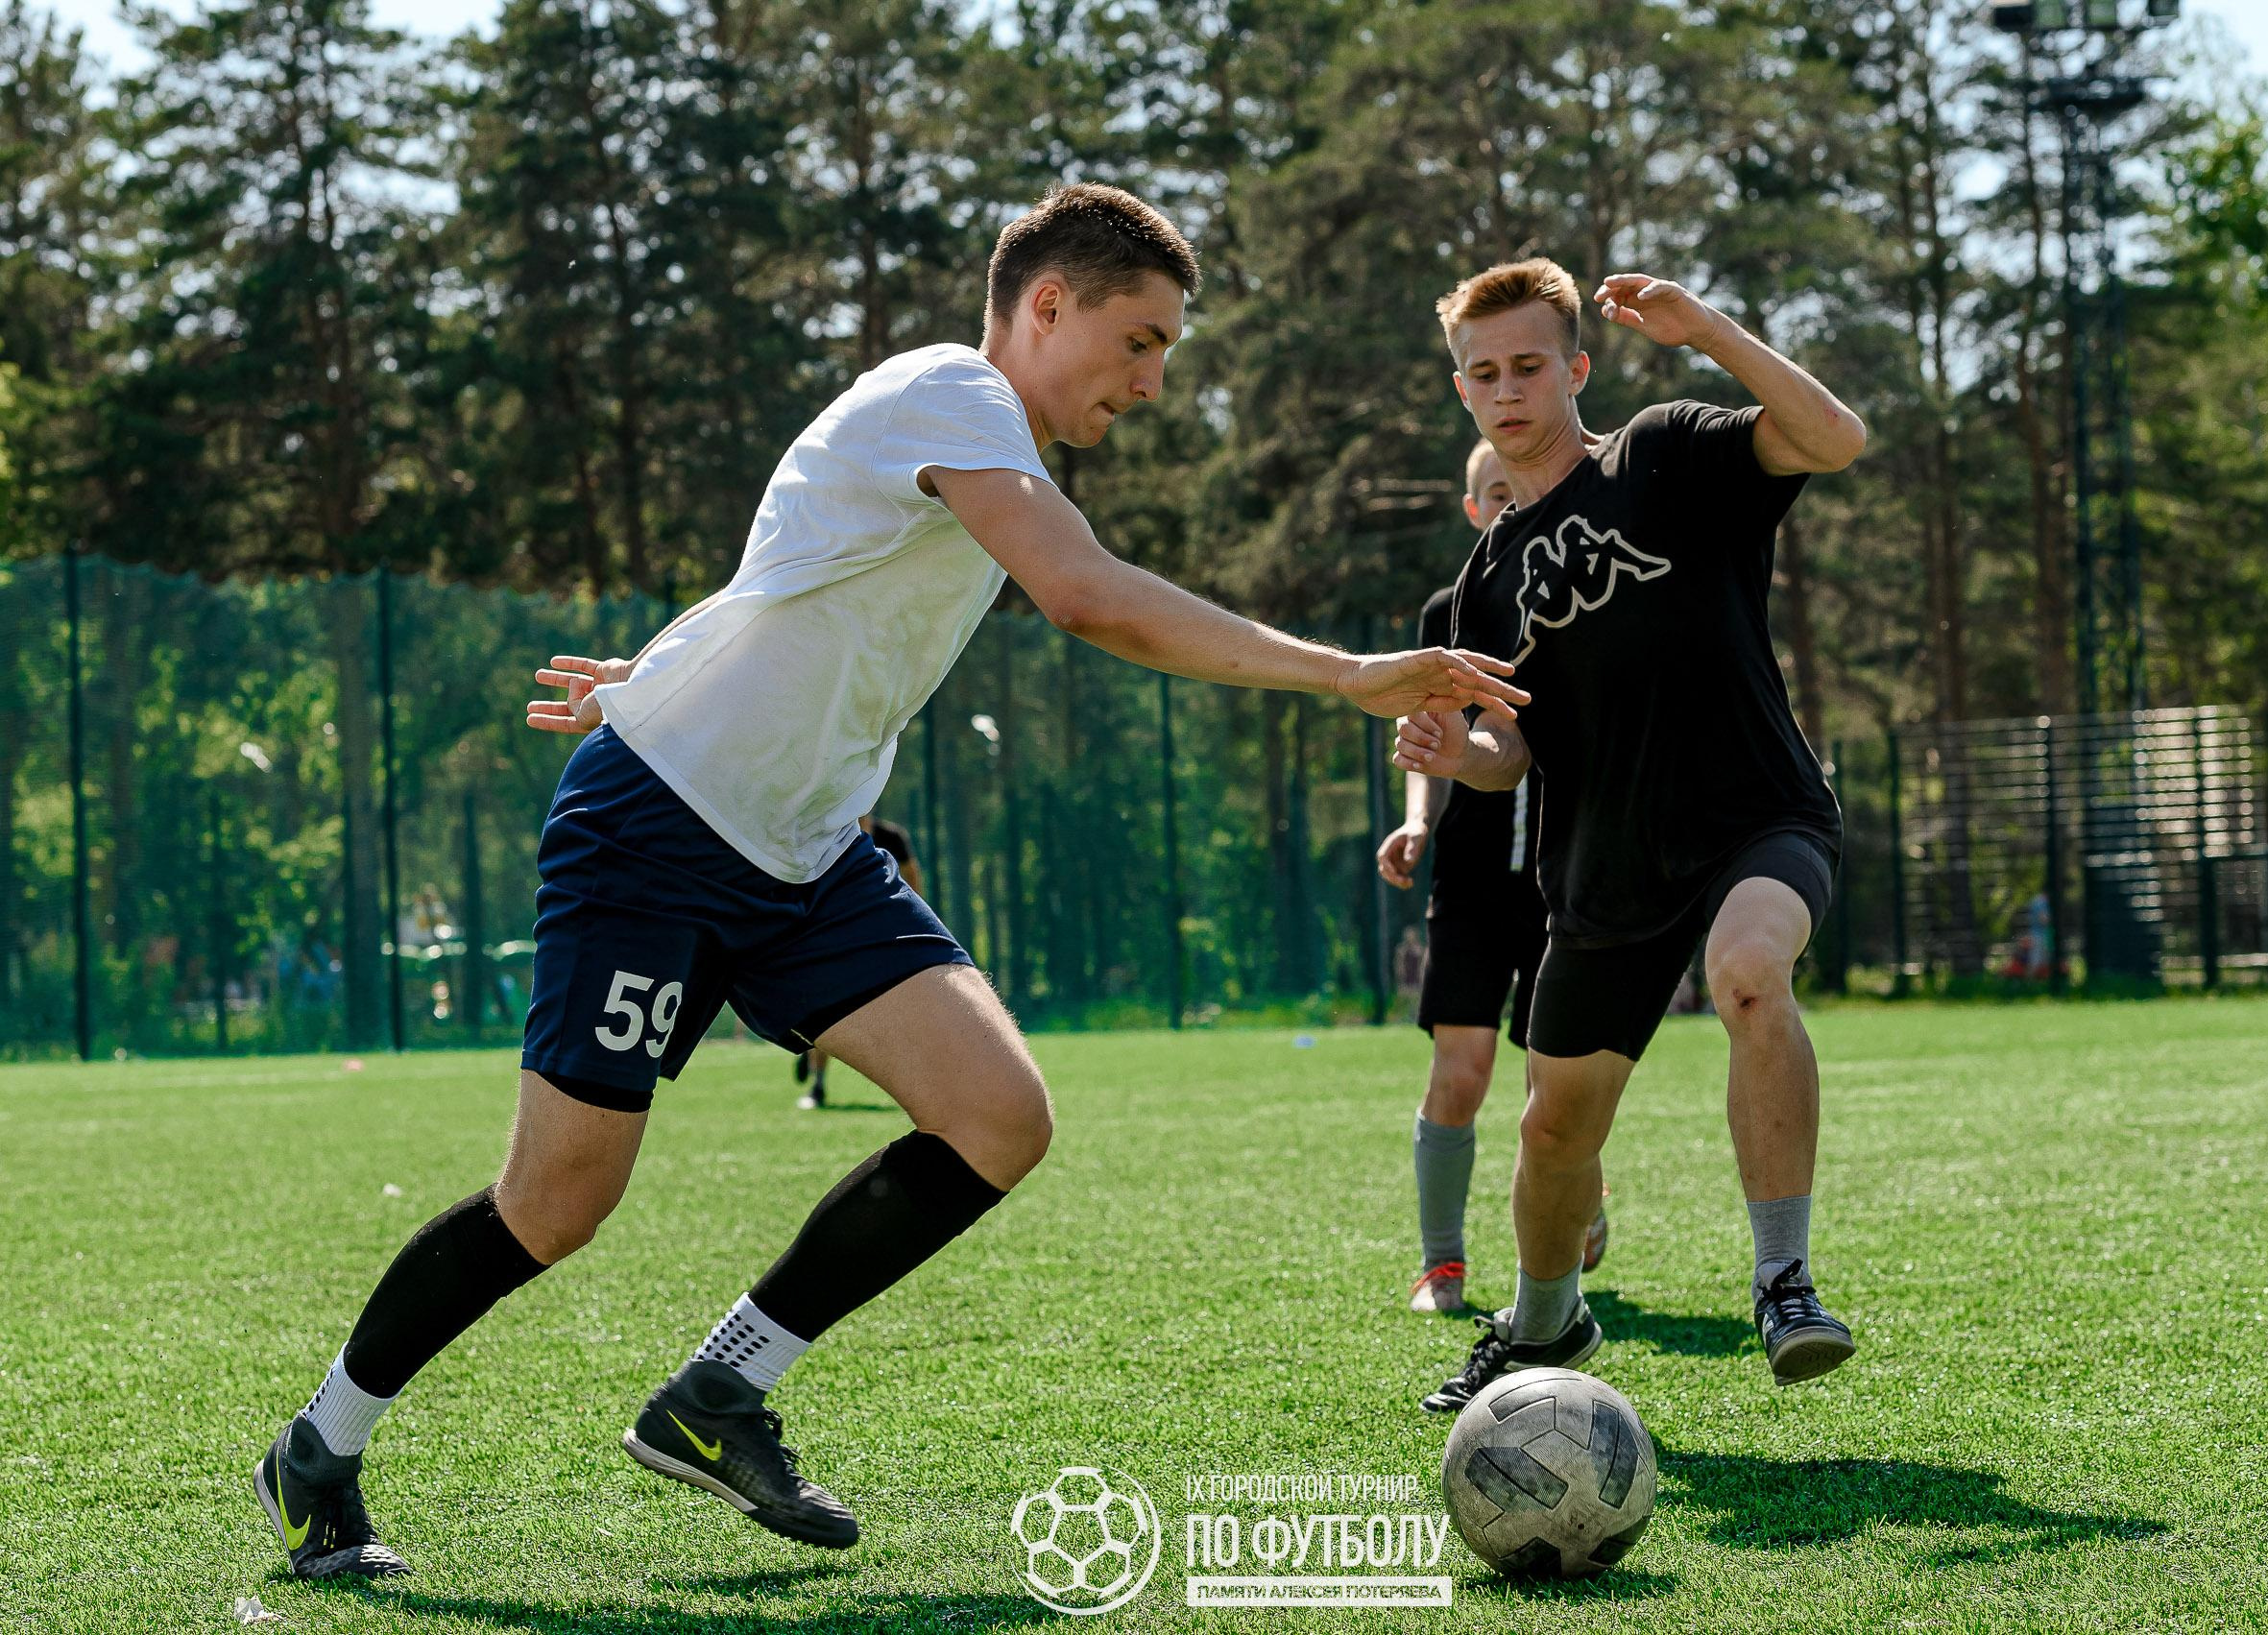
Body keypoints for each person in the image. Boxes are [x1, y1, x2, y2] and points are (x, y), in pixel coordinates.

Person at [250, 182, 1529, 1581]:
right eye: (1141, 340)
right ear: (1047, 305)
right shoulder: (950, 394)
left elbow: (790, 575)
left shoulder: (975, 440)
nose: (1153, 382)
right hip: (659, 832)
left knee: (998, 1115)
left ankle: (718, 1391)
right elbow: (1087, 596)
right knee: (557, 1203)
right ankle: (318, 1446)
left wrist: (649, 672)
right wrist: (1347, 673)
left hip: (807, 850)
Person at [1393, 257, 1866, 1410]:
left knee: (1750, 972)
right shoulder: (1479, 588)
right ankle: (1546, 1320)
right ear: (1461, 390)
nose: (1506, 389)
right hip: (1602, 870)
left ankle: (1783, 1278)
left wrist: (1706, 327)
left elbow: (1834, 436)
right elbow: (1515, 752)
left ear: (1576, 368)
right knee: (1555, 1129)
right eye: (1482, 372)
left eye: (1527, 364)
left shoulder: (1662, 452)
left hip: (1757, 814)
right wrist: (1466, 760)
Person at [1376, 439, 1606, 1315]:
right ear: (1472, 508)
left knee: (1562, 1081)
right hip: (1471, 882)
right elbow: (1428, 728)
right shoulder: (1451, 608)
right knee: (1462, 1070)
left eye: (1522, 489)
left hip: (1568, 878)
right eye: (1492, 493)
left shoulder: (1590, 596)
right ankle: (1443, 1264)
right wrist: (1419, 819)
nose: (1509, 503)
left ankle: (1580, 1196)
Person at [795, 814, 923, 1105]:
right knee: (824, 1006)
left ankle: (911, 1086)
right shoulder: (826, 834)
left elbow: (913, 882)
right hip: (832, 934)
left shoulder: (892, 838)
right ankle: (818, 1084)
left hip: (878, 937)